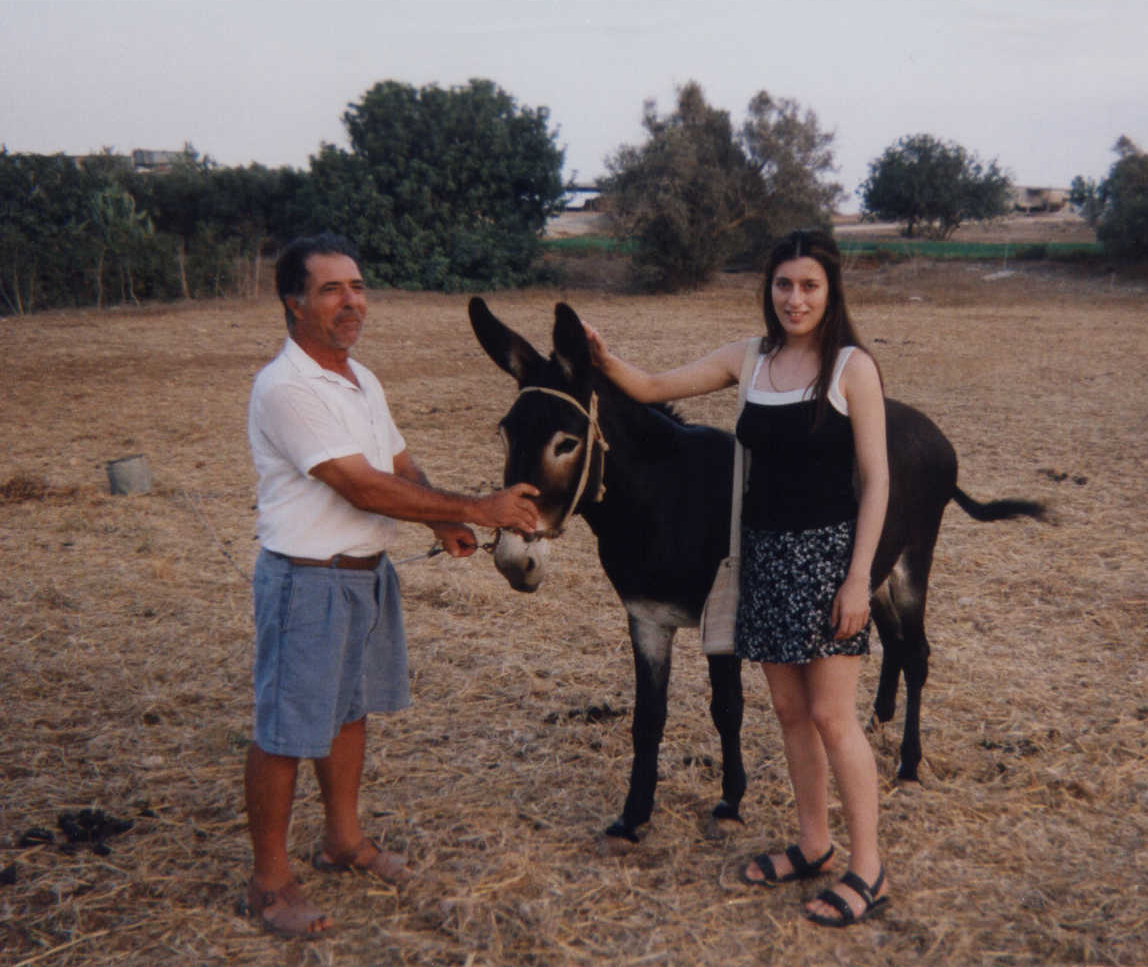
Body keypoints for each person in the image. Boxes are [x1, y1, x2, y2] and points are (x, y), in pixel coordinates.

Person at [582, 229, 891, 927]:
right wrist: (602, 359)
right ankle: (813, 844)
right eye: (783, 284)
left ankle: (868, 866)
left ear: (831, 291)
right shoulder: (750, 359)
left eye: (809, 286)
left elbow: (876, 480)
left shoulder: (852, 368)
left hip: (828, 561)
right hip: (762, 558)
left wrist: (858, 580)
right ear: (768, 289)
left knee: (832, 716)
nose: (795, 299)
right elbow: (653, 388)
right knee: (788, 712)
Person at [243, 233, 539, 938]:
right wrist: (477, 508)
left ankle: (343, 841)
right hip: (307, 581)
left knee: (349, 711)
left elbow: (396, 464)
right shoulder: (286, 388)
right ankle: (269, 882)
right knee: (285, 732)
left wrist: (440, 518)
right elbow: (359, 485)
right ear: (293, 304)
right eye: (331, 289)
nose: (352, 302)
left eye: (357, 286)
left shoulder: (360, 378)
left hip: (364, 576)